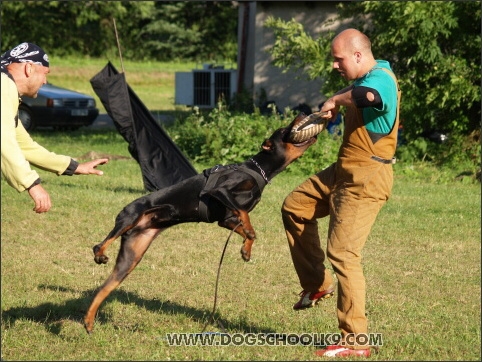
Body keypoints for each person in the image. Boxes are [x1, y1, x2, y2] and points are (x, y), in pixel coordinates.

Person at [281, 29, 400, 358]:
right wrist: (333, 99)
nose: (334, 65)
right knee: (295, 206)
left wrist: (335, 100)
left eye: (338, 59)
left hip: (367, 176)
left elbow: (369, 97)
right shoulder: (369, 73)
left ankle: (355, 341)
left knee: (344, 254)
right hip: (343, 169)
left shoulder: (382, 80)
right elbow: (358, 88)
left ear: (358, 56)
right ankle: (316, 285)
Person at [1, 42, 108, 214]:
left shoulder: (6, 87)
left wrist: (74, 167)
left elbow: (24, 145)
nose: (45, 81)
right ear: (29, 68)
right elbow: (4, 144)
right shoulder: (3, 87)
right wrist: (32, 185)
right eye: (45, 74)